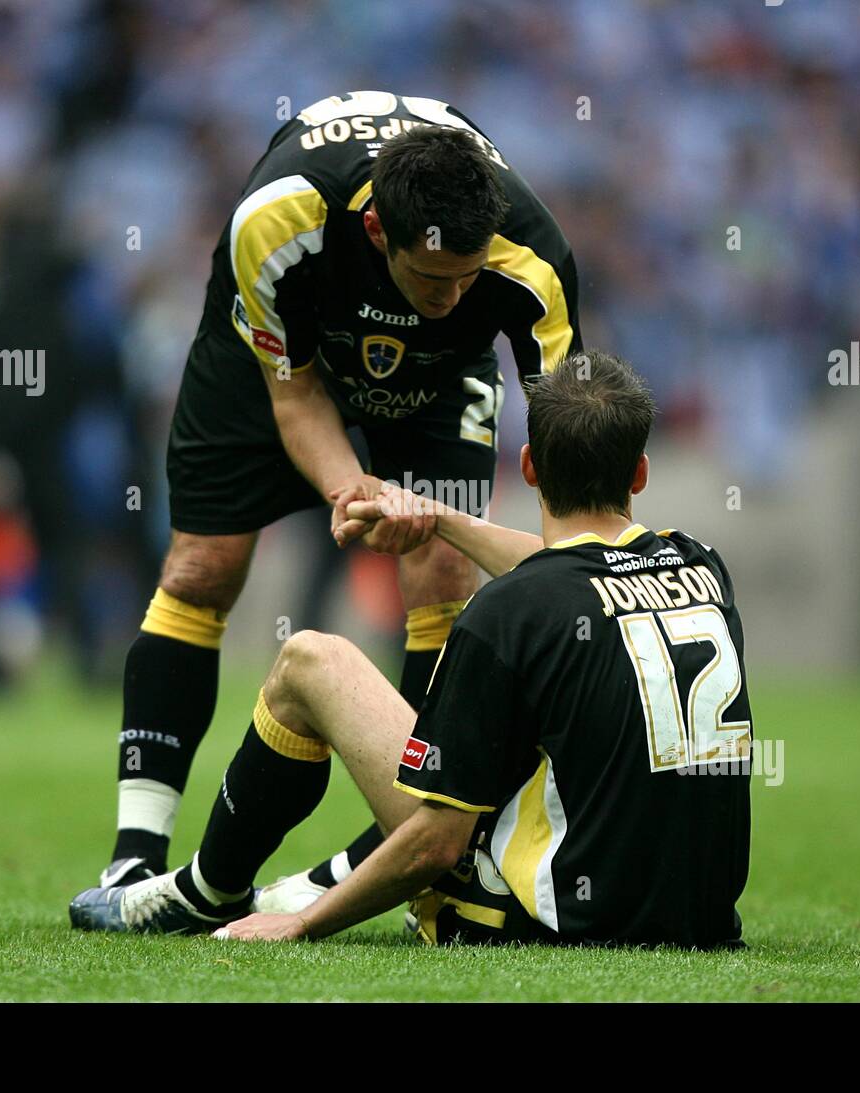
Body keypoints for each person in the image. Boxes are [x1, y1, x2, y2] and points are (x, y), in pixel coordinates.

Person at [71, 351, 752, 949]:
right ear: (639, 472)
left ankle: (203, 891)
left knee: (311, 660)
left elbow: (438, 842)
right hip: (695, 915)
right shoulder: (704, 566)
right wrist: (443, 519)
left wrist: (306, 922)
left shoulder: (510, 610)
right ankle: (263, 883)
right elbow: (576, 570)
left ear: (529, 465)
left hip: (545, 919)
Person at [101, 91, 582, 898]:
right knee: (200, 569)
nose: (453, 298)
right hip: (277, 356)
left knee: (442, 576)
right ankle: (134, 853)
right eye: (433, 279)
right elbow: (294, 399)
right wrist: (350, 488)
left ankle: (416, 842)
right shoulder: (277, 220)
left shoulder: (531, 260)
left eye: (470, 279)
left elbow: (569, 453)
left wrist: (563, 579)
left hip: (440, 380)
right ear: (374, 233)